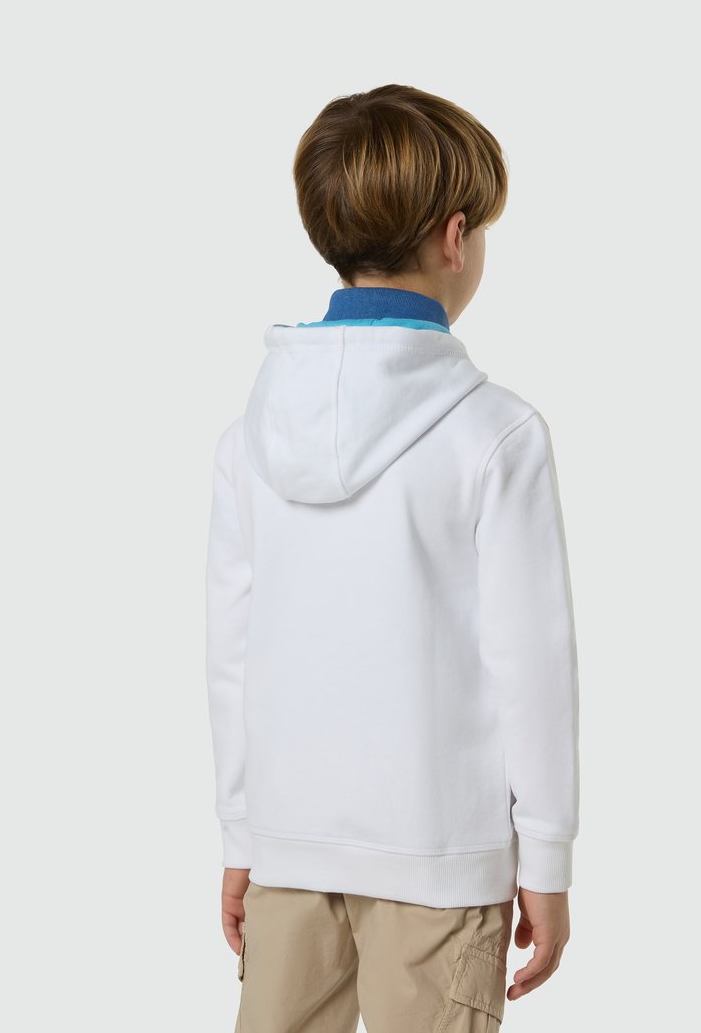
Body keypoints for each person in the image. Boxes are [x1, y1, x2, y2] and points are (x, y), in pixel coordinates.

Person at [205, 83, 580, 1032]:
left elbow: (231, 654)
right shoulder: (496, 434)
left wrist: (243, 832)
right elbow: (531, 663)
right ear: (456, 239)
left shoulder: (249, 437)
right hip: (441, 861)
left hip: (289, 850)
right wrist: (546, 857)